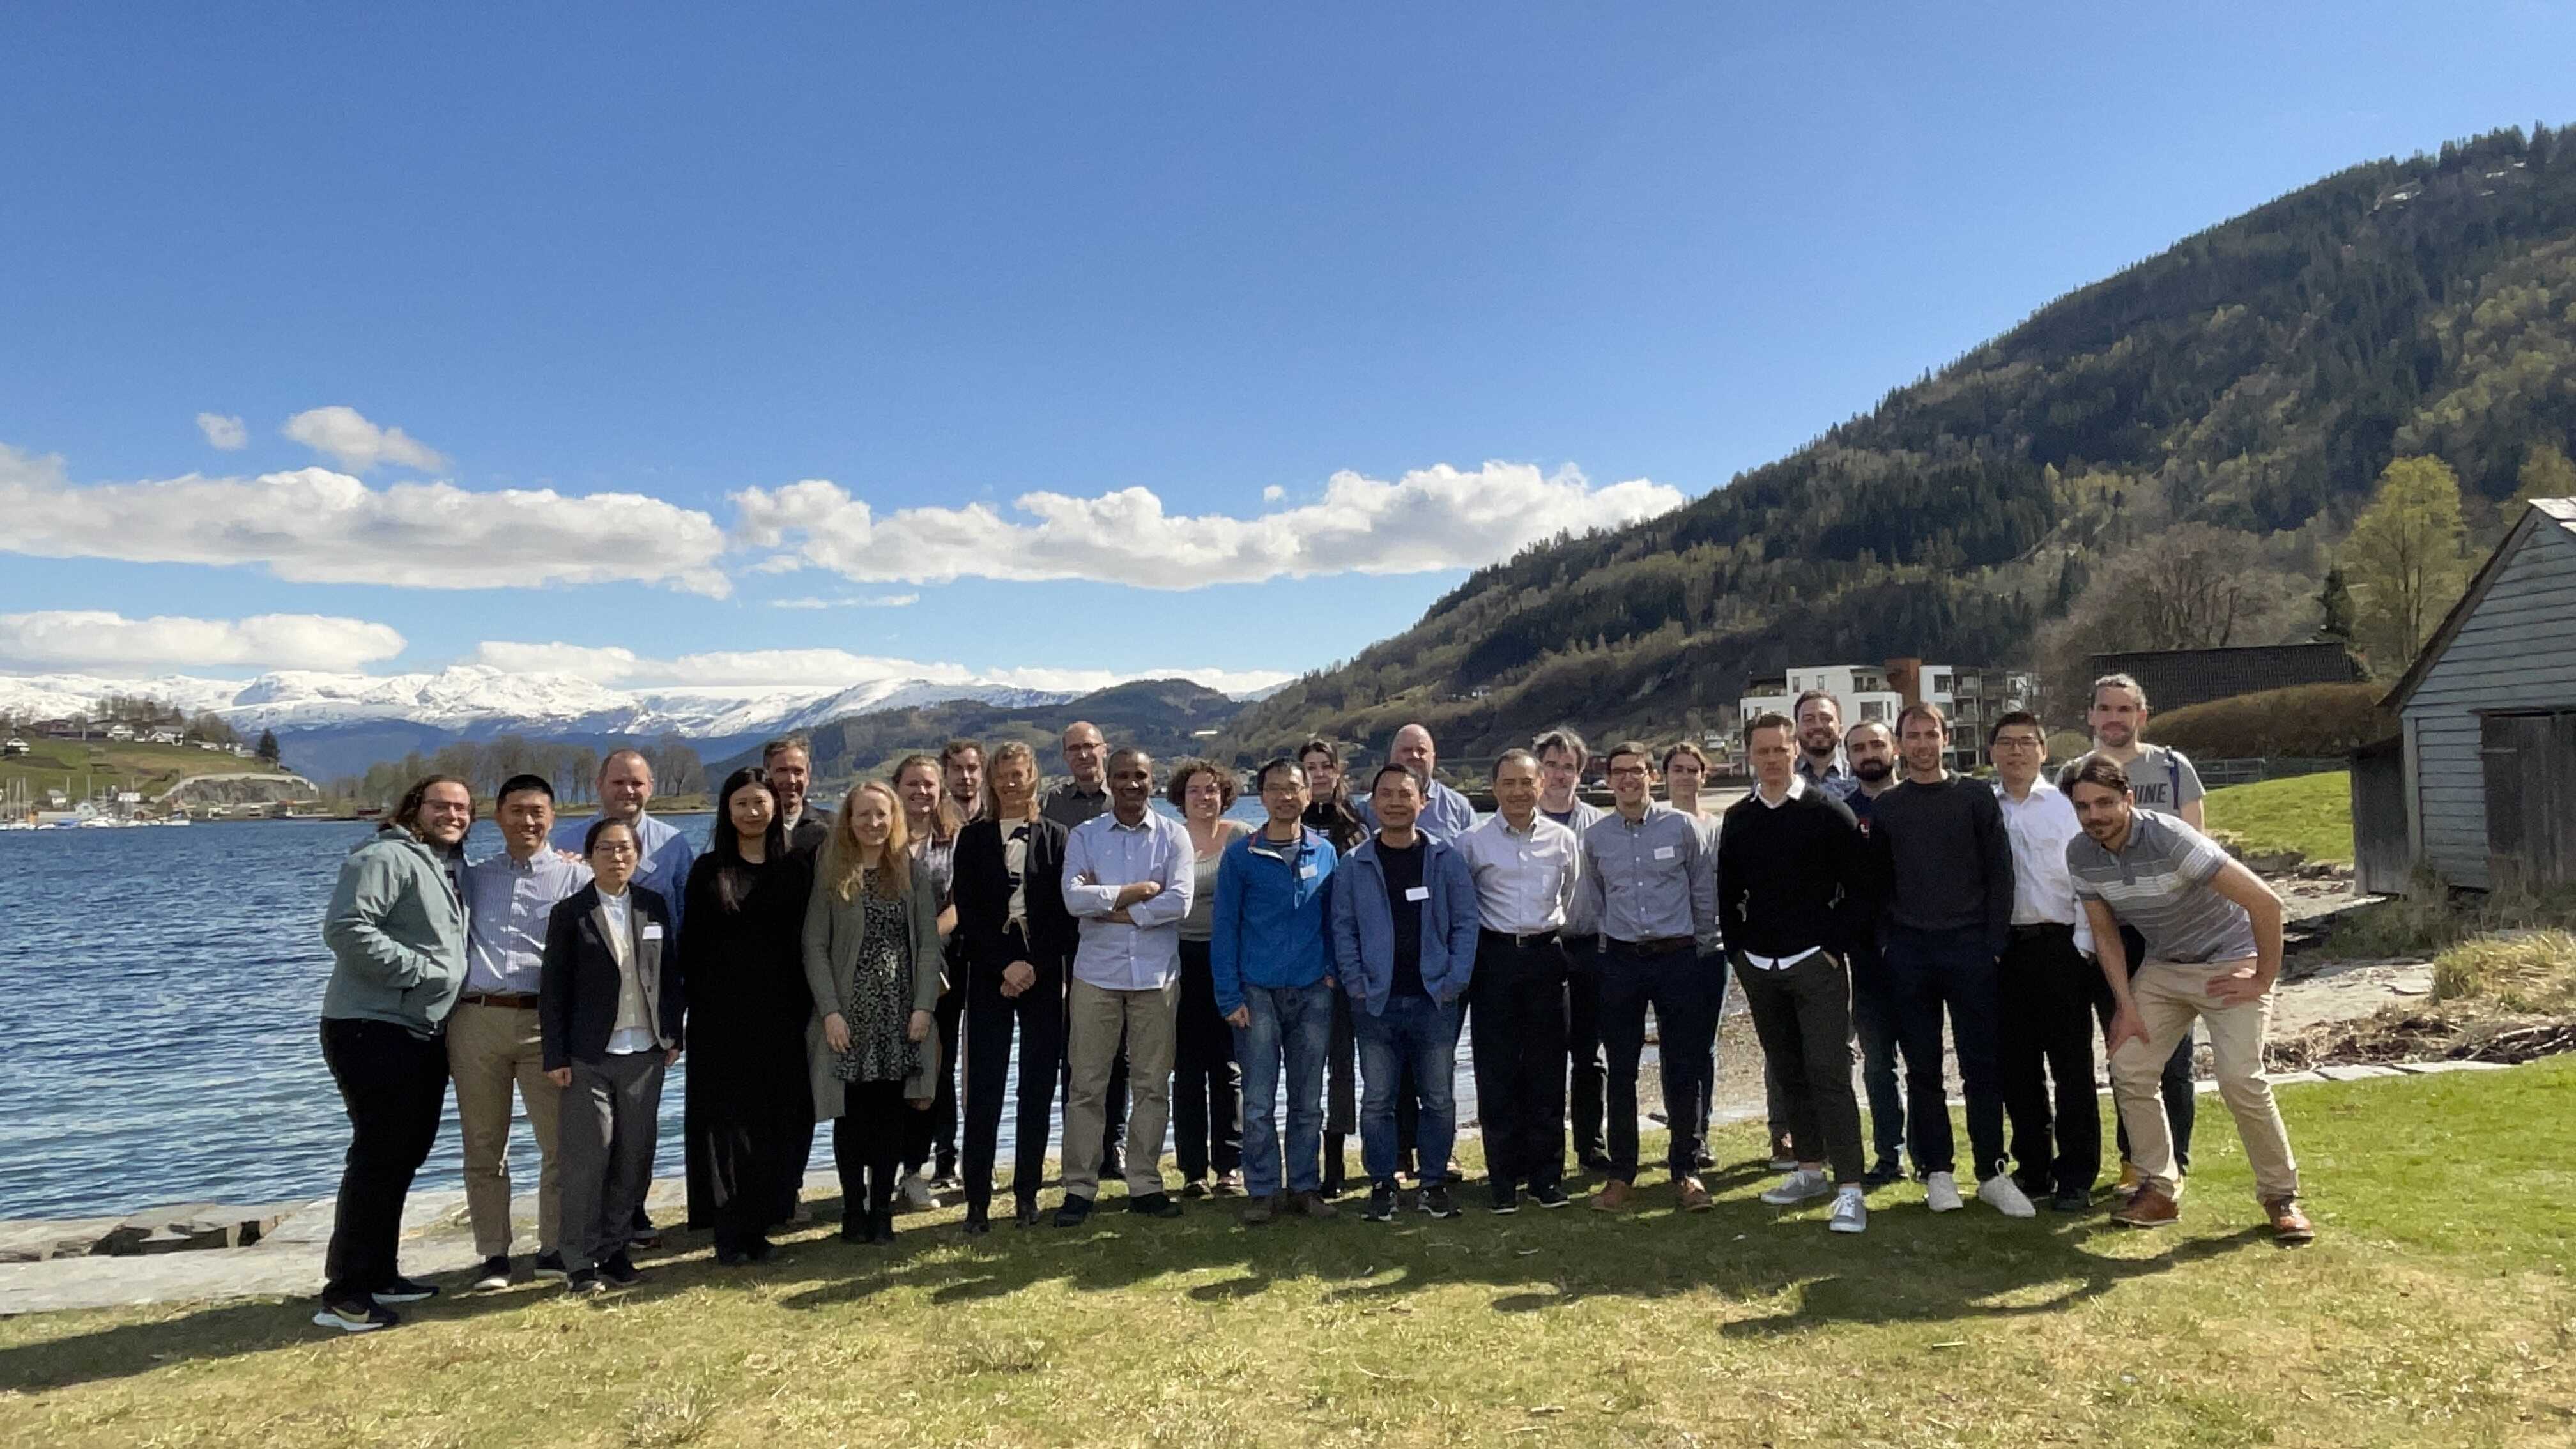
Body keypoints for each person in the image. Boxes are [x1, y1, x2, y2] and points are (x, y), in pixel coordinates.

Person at [2066, 758, 2313, 1243]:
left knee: (2240, 1077)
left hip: (2229, 963)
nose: (2095, 815)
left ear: (2128, 799)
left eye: (2104, 803)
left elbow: (2266, 903)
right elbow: (2105, 934)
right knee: (2130, 1067)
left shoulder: (2171, 838)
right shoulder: (2081, 855)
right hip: (2164, 968)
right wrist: (2127, 1006)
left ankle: (2281, 1197)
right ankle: (2160, 1190)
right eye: (2083, 807)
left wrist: (2262, 979)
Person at [313, 775, 473, 1332]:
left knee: (403, 1154)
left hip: (419, 1030)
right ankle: (346, 1293)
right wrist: (424, 975)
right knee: (378, 1156)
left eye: (462, 808)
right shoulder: (384, 857)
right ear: (415, 808)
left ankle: (379, 1271)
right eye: (442, 806)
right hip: (371, 1027)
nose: (453, 815)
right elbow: (346, 928)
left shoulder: (440, 865)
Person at [1871, 703, 2028, 1218]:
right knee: (1923, 1069)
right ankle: (1938, 1171)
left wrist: (1994, 944)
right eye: (1912, 736)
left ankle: (1990, 1171)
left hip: (1971, 948)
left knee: (1982, 1064)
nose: (1921, 744)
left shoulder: (1975, 796)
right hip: (1911, 953)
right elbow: (1878, 885)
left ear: (1946, 738)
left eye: (1930, 734)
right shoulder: (1890, 807)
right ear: (1900, 744)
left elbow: (2000, 875)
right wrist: (1887, 944)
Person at [1721, 714, 1871, 1234]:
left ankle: (1850, 1187)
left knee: (1830, 1074)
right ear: (1750, 757)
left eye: (1779, 751)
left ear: (1795, 751)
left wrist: (1834, 948)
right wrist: (1739, 953)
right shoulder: (1740, 817)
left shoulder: (1829, 812)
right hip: (1761, 967)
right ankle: (1810, 1170)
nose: (1771, 760)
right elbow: (1727, 894)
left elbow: (1860, 890)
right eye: (1761, 752)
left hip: (1816, 965)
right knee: (1789, 1075)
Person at [455, 773, 590, 1292]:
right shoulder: (474, 878)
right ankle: (493, 1254)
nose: (527, 821)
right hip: (477, 1018)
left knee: (559, 1143)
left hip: (545, 1022)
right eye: (516, 811)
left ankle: (553, 1247)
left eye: (537, 811)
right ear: (497, 817)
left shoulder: (575, 879)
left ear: (553, 818)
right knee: (484, 1144)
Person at [2072, 672, 2204, 1196]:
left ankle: (2176, 1165)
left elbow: (2200, 848)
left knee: (2174, 1060)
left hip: (2170, 934)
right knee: (2126, 1051)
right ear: (2091, 717)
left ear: (2141, 716)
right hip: (2108, 930)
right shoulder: (2076, 774)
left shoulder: (2173, 770)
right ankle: (2136, 1162)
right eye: (2105, 708)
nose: (2114, 718)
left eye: (2124, 710)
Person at [540, 816, 683, 1294]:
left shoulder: (654, 906)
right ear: (588, 855)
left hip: (645, 1050)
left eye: (625, 849)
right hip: (588, 1054)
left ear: (637, 856)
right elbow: (553, 990)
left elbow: (670, 978)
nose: (617, 857)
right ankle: (579, 1259)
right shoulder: (570, 913)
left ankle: (616, 1251)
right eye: (606, 849)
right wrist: (556, 1054)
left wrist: (673, 1033)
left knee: (634, 1156)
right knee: (590, 1157)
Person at [679, 767, 815, 1265]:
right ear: (727, 811)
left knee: (777, 1122)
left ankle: (762, 1224)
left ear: (775, 808)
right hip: (722, 1019)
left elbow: (809, 942)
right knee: (726, 1128)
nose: (753, 812)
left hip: (784, 1016)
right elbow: (690, 949)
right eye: (742, 804)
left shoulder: (797, 868)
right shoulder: (708, 871)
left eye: (761, 803)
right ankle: (728, 1231)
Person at [1331, 765, 1479, 1222]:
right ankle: (1382, 1183)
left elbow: (1465, 923)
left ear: (1424, 803)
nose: (1396, 802)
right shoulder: (1354, 864)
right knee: (1377, 1098)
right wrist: (1356, 983)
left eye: (1405, 794)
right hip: (1376, 1002)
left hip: (1435, 1000)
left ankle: (1433, 1182)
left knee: (1438, 1097)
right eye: (1386, 795)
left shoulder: (1446, 859)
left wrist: (1455, 980)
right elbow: (1344, 927)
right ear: (1371, 804)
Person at [1055, 747, 1193, 1224]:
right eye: (1123, 776)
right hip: (1096, 975)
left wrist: (1111, 909)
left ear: (1153, 780)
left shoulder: (1174, 837)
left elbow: (1180, 901)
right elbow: (1073, 899)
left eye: (1140, 776)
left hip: (1156, 978)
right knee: (1086, 1086)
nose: (1132, 784)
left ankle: (1145, 1184)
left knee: (1152, 1085)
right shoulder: (1085, 836)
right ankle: (1079, 1188)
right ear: (1109, 781)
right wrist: (1137, 894)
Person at [1581, 741, 1719, 1213]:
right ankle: (1622, 1176)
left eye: (1636, 771)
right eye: (1618, 773)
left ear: (1651, 777)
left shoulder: (1681, 828)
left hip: (1678, 957)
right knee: (1621, 1070)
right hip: (1621, 961)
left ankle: (1686, 1170)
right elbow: (1598, 900)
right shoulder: (1597, 839)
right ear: (1608, 780)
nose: (1627, 780)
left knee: (1683, 1067)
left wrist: (1700, 950)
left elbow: (1704, 894)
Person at [802, 781, 943, 1245]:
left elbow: (927, 945)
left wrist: (923, 1007)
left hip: (898, 1013)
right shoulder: (831, 869)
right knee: (851, 1119)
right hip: (848, 1016)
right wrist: (830, 1013)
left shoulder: (911, 872)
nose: (873, 823)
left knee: (889, 1119)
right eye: (864, 814)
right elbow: (814, 946)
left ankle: (882, 1210)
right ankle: (851, 1211)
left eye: (882, 814)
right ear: (849, 819)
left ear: (894, 818)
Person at [952, 741, 1077, 1232]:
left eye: (1019, 774)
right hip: (988, 974)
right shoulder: (973, 838)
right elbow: (970, 913)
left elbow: (1066, 916)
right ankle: (977, 1201)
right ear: (991, 779)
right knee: (984, 1088)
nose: (1010, 782)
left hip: (1043, 975)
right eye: (1001, 774)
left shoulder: (1058, 838)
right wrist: (1005, 965)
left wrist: (1032, 966)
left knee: (1037, 1087)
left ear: (1034, 778)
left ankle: (1028, 1192)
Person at [1211, 757, 1341, 1223]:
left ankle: (1305, 1186)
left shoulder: (1324, 853)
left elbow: (1335, 922)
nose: (1286, 797)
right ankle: (1262, 1189)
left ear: (1308, 794)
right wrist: (1229, 996)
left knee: (1308, 1100)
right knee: (1260, 1101)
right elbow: (1224, 929)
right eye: (1275, 789)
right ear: (1261, 796)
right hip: (1257, 993)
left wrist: (1331, 971)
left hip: (1312, 991)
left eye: (1294, 788)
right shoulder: (1241, 855)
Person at [1456, 749, 1580, 1213]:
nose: (1518, 791)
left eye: (1526, 783)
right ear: (1494, 788)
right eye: (1508, 783)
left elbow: (1569, 892)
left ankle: (1547, 1179)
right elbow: (1464, 903)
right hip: (1494, 961)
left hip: (1547, 957)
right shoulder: (1472, 843)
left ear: (1541, 786)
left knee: (1549, 1071)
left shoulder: (1563, 840)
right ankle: (1503, 1180)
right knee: (1497, 1071)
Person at [1989, 712, 2102, 1213]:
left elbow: (2085, 878)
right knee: (2018, 1069)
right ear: (1993, 753)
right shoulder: (1983, 808)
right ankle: (2032, 1168)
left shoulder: (2064, 809)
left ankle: (2076, 1174)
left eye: (2026, 743)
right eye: (2006, 743)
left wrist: (2082, 944)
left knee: (2071, 1067)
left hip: (2062, 946)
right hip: (2003, 951)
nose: (2016, 752)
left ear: (2043, 751)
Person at [1040, 719, 1127, 1178]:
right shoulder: (1052, 804)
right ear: (1065, 756)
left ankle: (1114, 1145)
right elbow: (1052, 872)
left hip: (1118, 938)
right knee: (1075, 1053)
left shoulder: (1126, 799)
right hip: (1068, 945)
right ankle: (1079, 1148)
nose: (1082, 756)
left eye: (1089, 747)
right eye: (1073, 749)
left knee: (1119, 1052)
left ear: (1104, 749)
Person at [1169, 758, 1250, 1197]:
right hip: (1179, 960)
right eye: (1195, 790)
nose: (1204, 797)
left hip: (1228, 959)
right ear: (1181, 798)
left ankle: (1229, 1166)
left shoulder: (1239, 837)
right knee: (1185, 1068)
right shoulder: (1169, 839)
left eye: (1212, 789)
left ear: (1225, 795)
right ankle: (1192, 1171)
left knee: (1227, 1065)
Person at [1535, 726, 1612, 1179]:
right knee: (1542, 1056)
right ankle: (1543, 1152)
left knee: (1589, 1056)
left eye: (1569, 767)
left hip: (1590, 949)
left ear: (1580, 774)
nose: (1560, 774)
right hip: (1543, 951)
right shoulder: (1522, 823)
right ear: (1538, 768)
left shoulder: (1599, 826)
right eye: (1552, 764)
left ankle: (1591, 1148)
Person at [1300, 737, 1370, 1197]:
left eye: (1326, 766)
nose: (1319, 774)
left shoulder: (1358, 825)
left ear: (1338, 770)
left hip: (1350, 965)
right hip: (1304, 963)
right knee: (1304, 1068)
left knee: (1343, 1068)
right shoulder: (1288, 825)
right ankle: (1300, 1160)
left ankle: (1336, 1163)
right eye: (1310, 767)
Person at [893, 753, 964, 1208]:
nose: (921, 792)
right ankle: (880, 1168)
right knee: (883, 1073)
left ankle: (916, 1169)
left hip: (940, 972)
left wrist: (922, 940)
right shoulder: (879, 836)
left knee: (932, 1071)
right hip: (880, 973)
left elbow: (963, 903)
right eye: (912, 784)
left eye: (929, 785)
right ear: (896, 787)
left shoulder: (954, 841)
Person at [1841, 719, 1909, 1187]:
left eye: (1877, 744)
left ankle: (1934, 1157)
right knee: (1878, 1064)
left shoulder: (1920, 802)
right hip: (1865, 960)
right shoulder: (1840, 814)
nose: (1869, 754)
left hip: (1921, 949)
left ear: (1896, 749)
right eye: (1859, 747)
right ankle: (1890, 1156)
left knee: (1924, 1062)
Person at [552, 748, 695, 933]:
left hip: (657, 957)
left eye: (637, 783)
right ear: (599, 784)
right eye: (618, 782)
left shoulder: (673, 844)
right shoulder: (569, 843)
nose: (628, 790)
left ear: (650, 787)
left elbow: (688, 912)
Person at [1353, 723, 1476, 839]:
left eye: (1421, 751)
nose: (1415, 756)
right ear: (1392, 757)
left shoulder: (1459, 808)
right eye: (1407, 750)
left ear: (1433, 758)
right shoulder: (1365, 810)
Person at [765, 735, 831, 854]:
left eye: (798, 772)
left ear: (808, 777)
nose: (791, 780)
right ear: (767, 775)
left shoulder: (833, 828)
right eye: (782, 771)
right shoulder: (752, 831)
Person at [1793, 687, 1862, 801]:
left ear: (1840, 730)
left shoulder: (1859, 778)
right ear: (1796, 729)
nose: (1818, 726)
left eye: (1826, 719)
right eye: (1809, 719)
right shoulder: (1783, 779)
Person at [940, 737, 986, 827]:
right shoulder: (936, 826)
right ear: (944, 775)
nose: (965, 776)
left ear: (983, 773)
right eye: (957, 769)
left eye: (972, 769)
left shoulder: (996, 823)